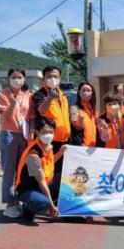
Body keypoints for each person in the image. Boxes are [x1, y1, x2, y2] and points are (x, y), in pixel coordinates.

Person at [0, 68, 33, 218]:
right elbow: (5, 117)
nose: (17, 80)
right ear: (9, 78)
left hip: (24, 135)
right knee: (9, 172)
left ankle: (20, 200)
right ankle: (10, 204)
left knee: (22, 171)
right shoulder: (3, 94)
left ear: (24, 79)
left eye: (20, 77)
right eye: (14, 77)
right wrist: (12, 104)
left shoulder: (28, 95)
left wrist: (32, 130)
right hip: (9, 135)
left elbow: (31, 116)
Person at [15, 117, 66, 222]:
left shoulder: (47, 146)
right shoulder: (33, 154)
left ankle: (50, 203)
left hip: (44, 183)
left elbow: (49, 162)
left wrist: (61, 152)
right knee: (42, 202)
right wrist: (51, 206)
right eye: (45, 132)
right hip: (28, 188)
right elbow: (41, 181)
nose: (48, 135)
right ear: (37, 133)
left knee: (66, 180)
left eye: (51, 132)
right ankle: (29, 208)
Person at [32, 66, 71, 197]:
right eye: (49, 76)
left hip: (65, 140)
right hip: (49, 141)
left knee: (62, 174)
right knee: (49, 173)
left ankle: (57, 200)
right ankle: (44, 200)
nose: (52, 79)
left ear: (60, 78)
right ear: (44, 79)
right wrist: (49, 98)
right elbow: (41, 111)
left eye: (55, 76)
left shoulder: (63, 95)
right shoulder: (39, 95)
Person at [69, 82, 98, 147]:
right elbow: (76, 127)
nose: (86, 93)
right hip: (82, 146)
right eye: (83, 90)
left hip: (93, 146)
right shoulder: (74, 108)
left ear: (92, 93)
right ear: (79, 92)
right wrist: (80, 120)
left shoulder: (93, 109)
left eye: (88, 90)